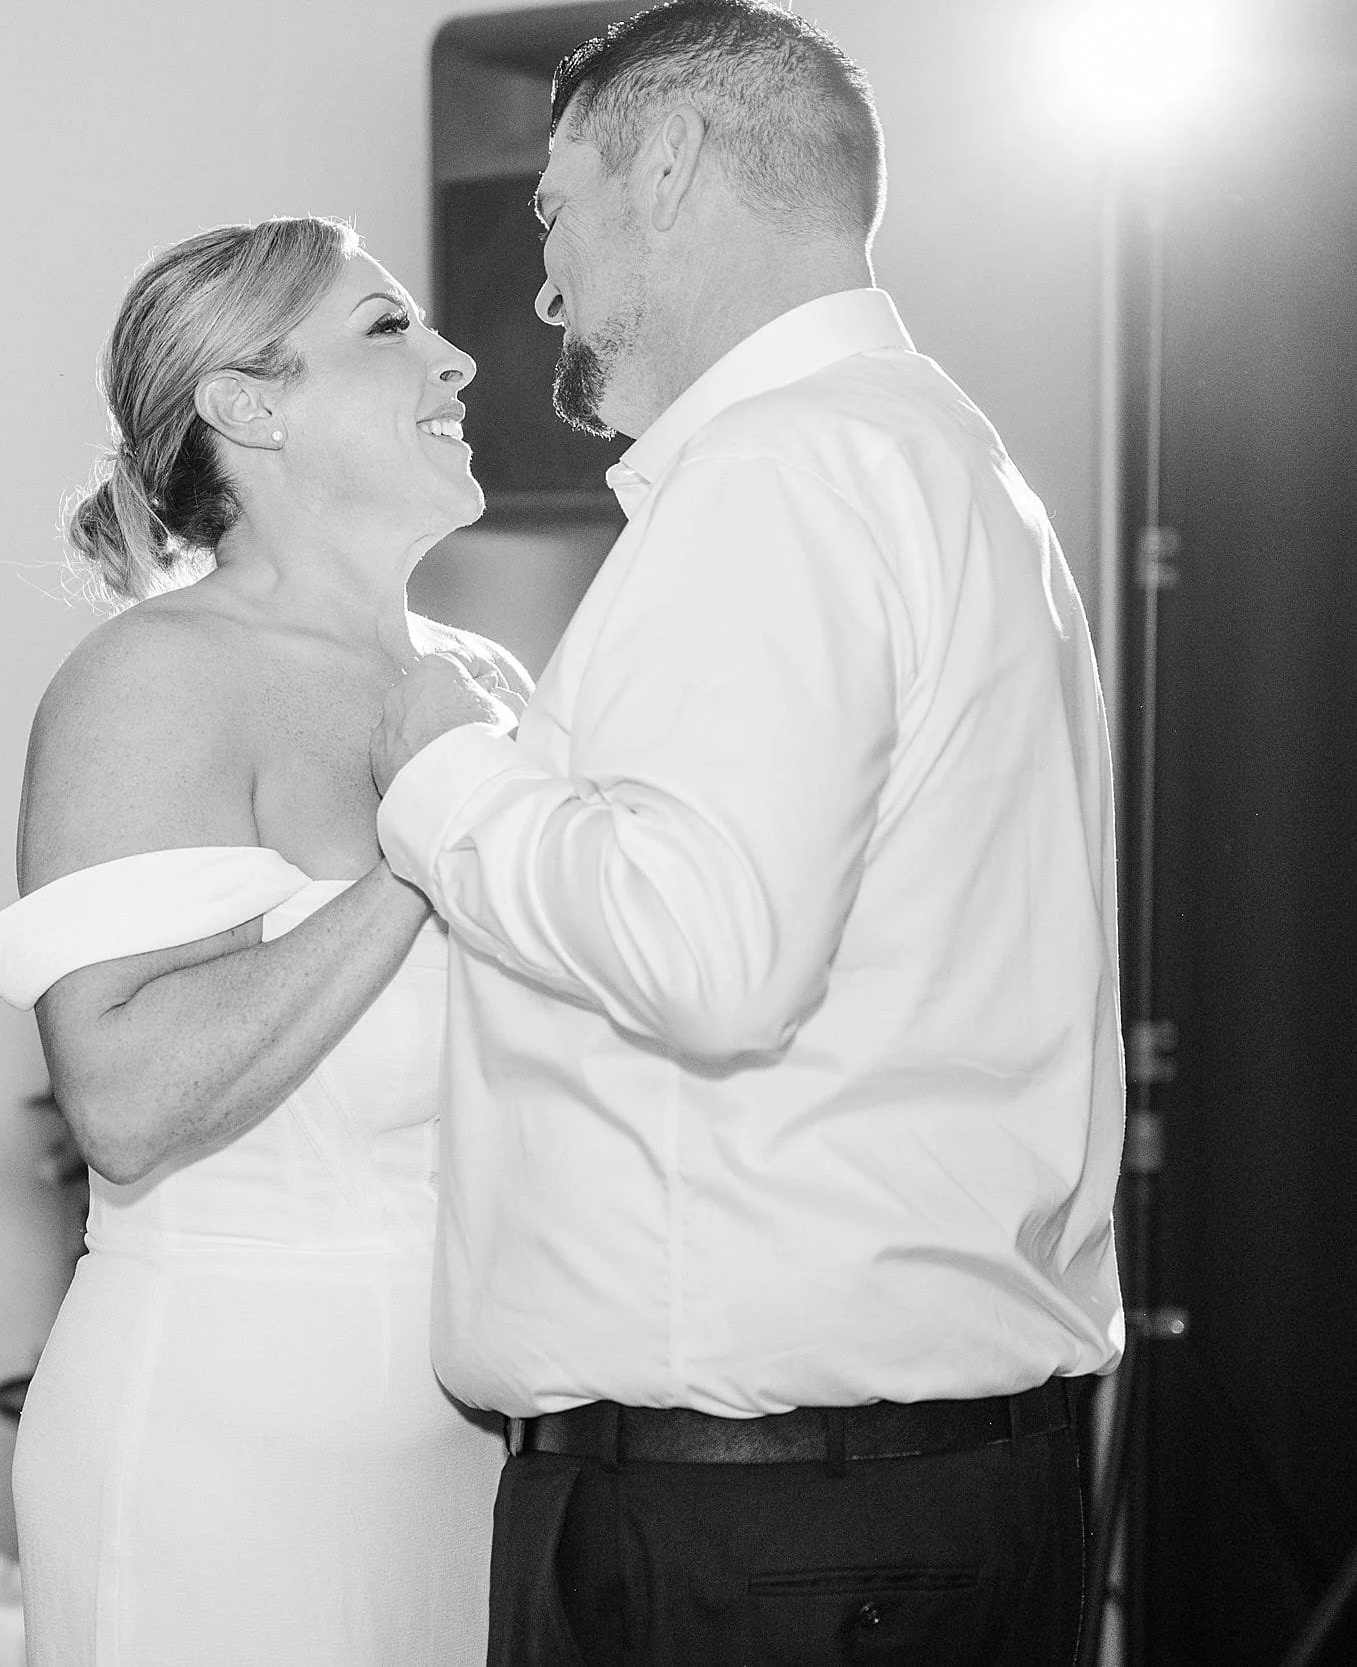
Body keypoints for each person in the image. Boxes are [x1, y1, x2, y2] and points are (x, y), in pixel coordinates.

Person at [368, 4, 1123, 1663]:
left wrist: (444, 777)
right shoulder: (939, 456)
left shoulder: (784, 473)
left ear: (675, 163)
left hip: (763, 1537)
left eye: (554, 211)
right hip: (900, 1506)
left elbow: (714, 958)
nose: (543, 285)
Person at [0, 216, 518, 1666]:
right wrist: (417, 852)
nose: (456, 355)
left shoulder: (483, 679)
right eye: (388, 327)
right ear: (247, 405)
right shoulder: (153, 680)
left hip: (478, 1448)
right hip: (226, 1447)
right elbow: (125, 1106)